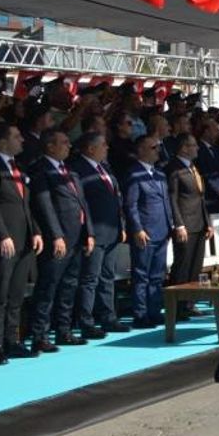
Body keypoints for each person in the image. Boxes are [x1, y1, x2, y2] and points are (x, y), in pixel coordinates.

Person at [0, 123, 43, 358]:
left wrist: (35, 230)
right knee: (0, 294)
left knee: (16, 294)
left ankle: (11, 339)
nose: (22, 141)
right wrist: (2, 235)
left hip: (24, 238)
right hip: (6, 240)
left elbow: (27, 204)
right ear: (3, 142)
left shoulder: (18, 167)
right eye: (16, 137)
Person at [29, 129, 96, 350]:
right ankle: (40, 335)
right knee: (48, 287)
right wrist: (56, 235)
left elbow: (82, 203)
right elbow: (45, 206)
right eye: (64, 142)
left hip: (76, 237)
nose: (69, 146)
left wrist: (89, 233)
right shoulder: (41, 170)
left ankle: (63, 330)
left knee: (69, 285)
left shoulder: (69, 170)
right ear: (50, 146)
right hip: (58, 238)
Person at [70, 132, 129, 338]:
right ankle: (86, 320)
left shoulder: (104, 168)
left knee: (107, 277)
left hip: (111, 230)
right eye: (103, 144)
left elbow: (116, 198)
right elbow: (82, 204)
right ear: (90, 148)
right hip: (94, 232)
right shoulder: (79, 169)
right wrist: (88, 232)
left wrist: (121, 225)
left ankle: (108, 316)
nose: (107, 148)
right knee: (90, 279)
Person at [123, 135, 172, 328]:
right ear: (141, 150)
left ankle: (155, 310)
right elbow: (131, 205)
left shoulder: (159, 174)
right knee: (142, 274)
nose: (158, 150)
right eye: (153, 147)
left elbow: (166, 202)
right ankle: (141, 314)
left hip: (162, 230)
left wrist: (171, 225)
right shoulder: (134, 174)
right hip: (146, 231)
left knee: (158, 275)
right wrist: (137, 229)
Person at [164, 133, 211, 319]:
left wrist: (208, 222)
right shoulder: (174, 169)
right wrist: (179, 224)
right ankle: (177, 305)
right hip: (185, 224)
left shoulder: (192, 167)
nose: (197, 148)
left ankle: (190, 302)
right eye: (193, 145)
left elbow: (201, 198)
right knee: (182, 265)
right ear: (184, 148)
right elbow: (172, 198)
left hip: (199, 222)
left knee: (195, 265)